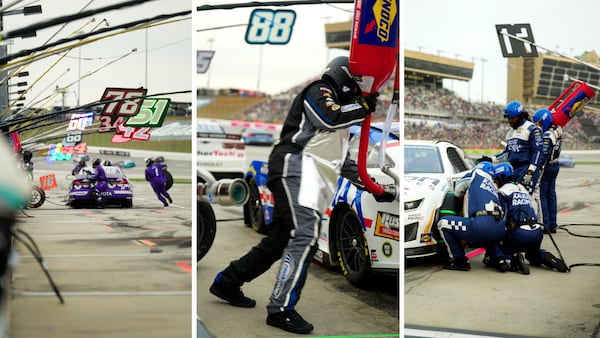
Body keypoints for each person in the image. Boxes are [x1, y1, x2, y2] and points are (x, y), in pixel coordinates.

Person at [209, 56, 384, 335]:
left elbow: (343, 162)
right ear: (343, 77)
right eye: (356, 82)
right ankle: (280, 309)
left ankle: (227, 281)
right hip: (295, 166)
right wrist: (361, 107)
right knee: (303, 235)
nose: (359, 89)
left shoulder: (345, 118)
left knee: (280, 239)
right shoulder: (319, 91)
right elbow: (329, 116)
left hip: (308, 173)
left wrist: (376, 187)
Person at [492, 162, 568, 273]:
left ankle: (512, 259)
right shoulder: (522, 188)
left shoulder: (502, 192)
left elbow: (501, 217)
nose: (495, 182)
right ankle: (544, 256)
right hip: (537, 233)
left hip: (520, 234)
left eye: (496, 179)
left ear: (501, 177)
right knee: (532, 256)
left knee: (498, 249)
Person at [437, 161, 507, 271]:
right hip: (500, 229)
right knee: (490, 231)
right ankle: (499, 259)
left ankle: (459, 261)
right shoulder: (494, 186)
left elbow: (458, 191)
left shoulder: (476, 173)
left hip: (480, 226)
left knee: (443, 223)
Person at [496, 100, 543, 193]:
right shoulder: (510, 133)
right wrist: (490, 159)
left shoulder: (531, 129)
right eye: (508, 118)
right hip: (514, 169)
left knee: (523, 198)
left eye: (512, 118)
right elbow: (505, 154)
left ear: (520, 116)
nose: (510, 121)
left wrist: (531, 171)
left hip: (527, 168)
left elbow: (538, 151)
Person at [532, 108, 562, 234]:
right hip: (556, 164)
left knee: (543, 195)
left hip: (548, 166)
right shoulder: (558, 130)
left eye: (538, 123)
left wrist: (535, 166)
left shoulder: (547, 136)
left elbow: (544, 154)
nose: (537, 126)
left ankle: (546, 225)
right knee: (551, 195)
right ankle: (553, 223)